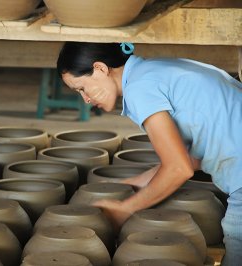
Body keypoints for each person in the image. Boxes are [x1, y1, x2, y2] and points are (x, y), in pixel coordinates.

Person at [56, 41, 242, 265]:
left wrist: (126, 209)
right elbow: (192, 158)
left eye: (82, 88)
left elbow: (178, 169)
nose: (85, 100)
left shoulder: (139, 89)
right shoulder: (151, 71)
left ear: (100, 69)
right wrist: (132, 185)